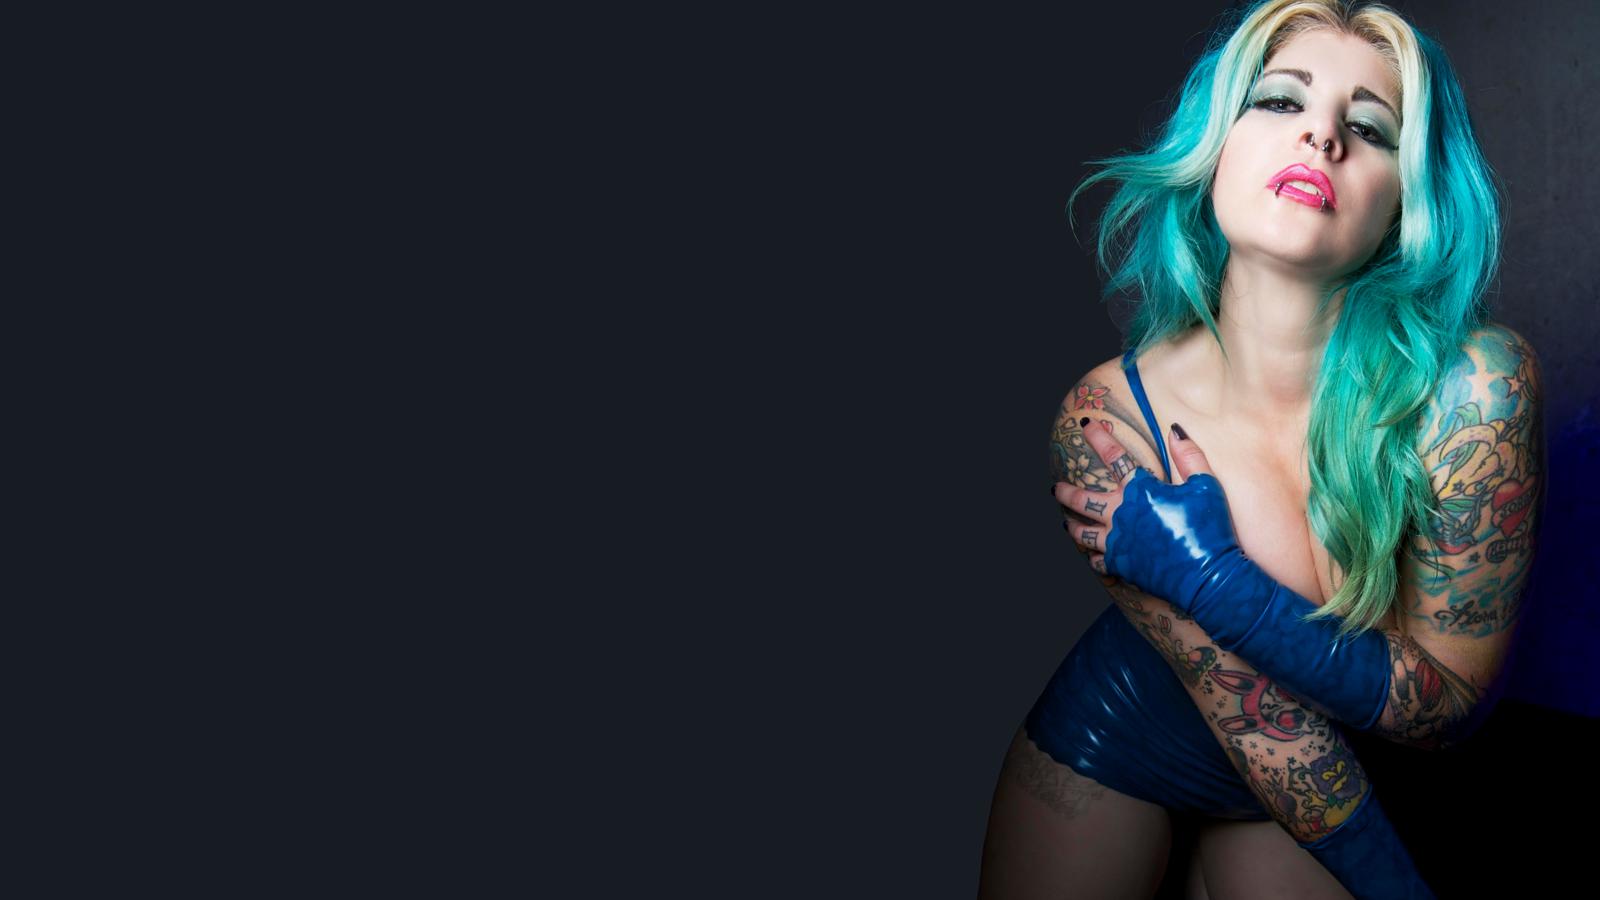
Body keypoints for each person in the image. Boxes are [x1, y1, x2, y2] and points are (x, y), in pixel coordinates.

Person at [978, 1, 1544, 898]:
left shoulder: (1474, 390)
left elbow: (1447, 707)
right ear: (1215, 146)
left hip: (1314, 780)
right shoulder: (1111, 418)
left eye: (1370, 127)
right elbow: (1263, 724)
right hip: (1123, 745)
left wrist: (1214, 582)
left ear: (1407, 198)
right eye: (1280, 101)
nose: (1322, 136)